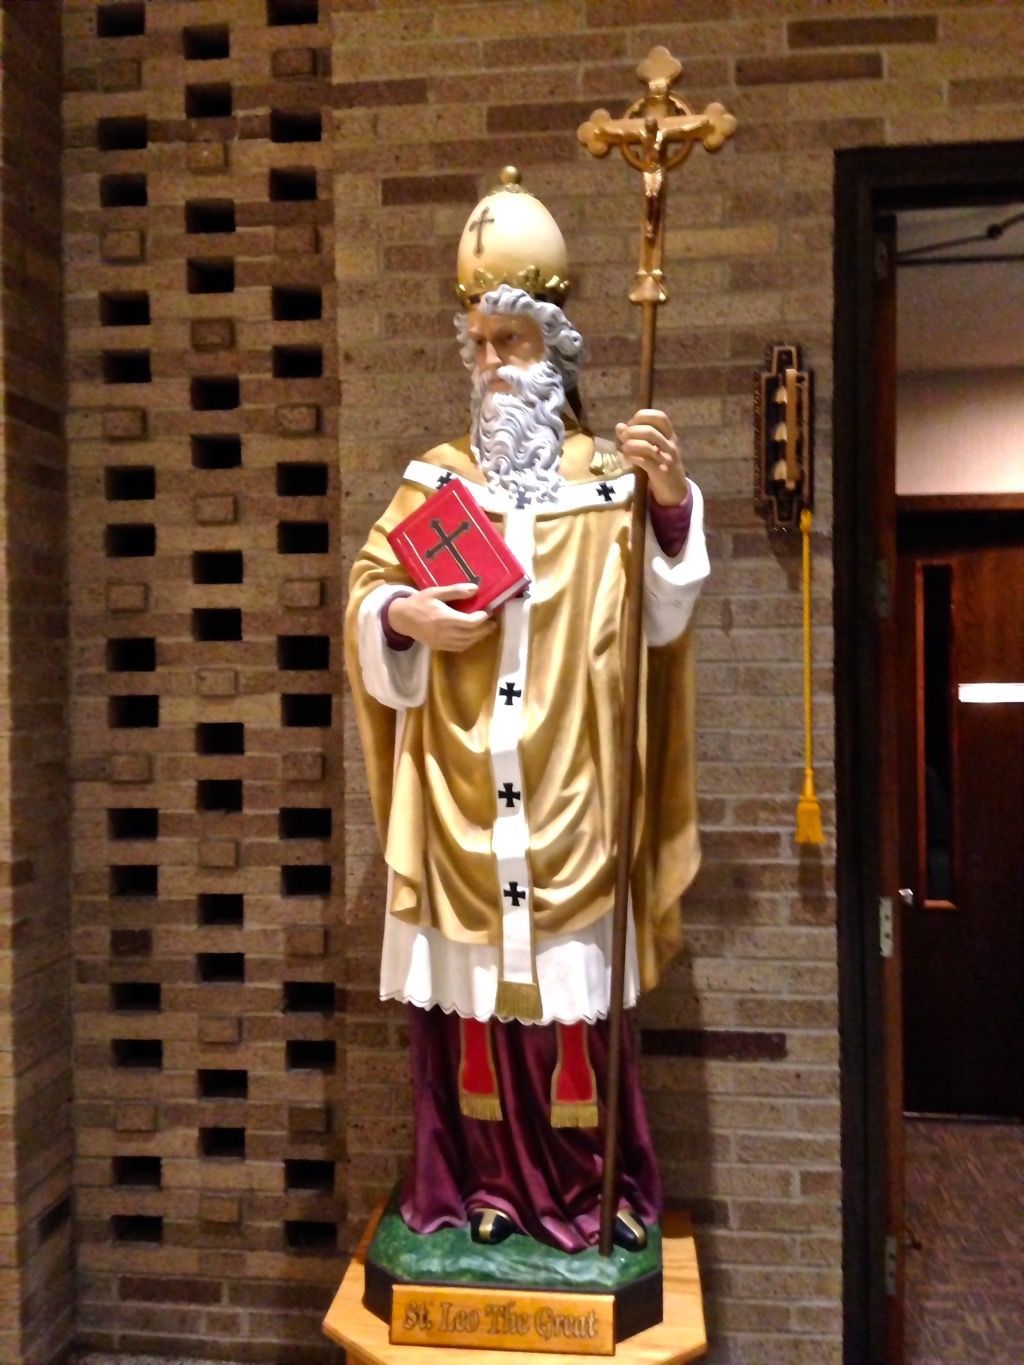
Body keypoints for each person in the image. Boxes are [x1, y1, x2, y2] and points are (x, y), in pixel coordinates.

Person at [344, 168, 709, 1254]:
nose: (494, 364)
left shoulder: (610, 487)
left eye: (512, 341)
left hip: (572, 799)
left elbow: (662, 615)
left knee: (572, 1020)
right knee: (469, 1020)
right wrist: (407, 617)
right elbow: (366, 597)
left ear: (557, 350)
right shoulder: (435, 482)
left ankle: (591, 1192)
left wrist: (672, 503)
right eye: (479, 345)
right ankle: (481, 1190)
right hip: (461, 797)